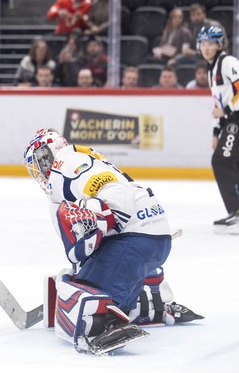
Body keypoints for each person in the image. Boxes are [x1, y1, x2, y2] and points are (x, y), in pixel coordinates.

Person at [23, 128, 203, 354]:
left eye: (38, 164)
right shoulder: (79, 159)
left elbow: (115, 194)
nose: (38, 173)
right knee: (81, 278)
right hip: (152, 237)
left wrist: (100, 218)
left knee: (83, 292)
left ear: (48, 154)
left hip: (135, 239)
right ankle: (153, 304)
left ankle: (109, 323)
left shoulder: (64, 165)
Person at [196, 25, 239, 234]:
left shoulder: (227, 62)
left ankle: (236, 210)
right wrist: (216, 131)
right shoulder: (212, 69)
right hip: (232, 118)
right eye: (203, 43)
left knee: (222, 161)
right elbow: (218, 103)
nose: (206, 47)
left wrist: (227, 110)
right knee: (229, 161)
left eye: (211, 43)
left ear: (220, 45)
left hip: (236, 117)